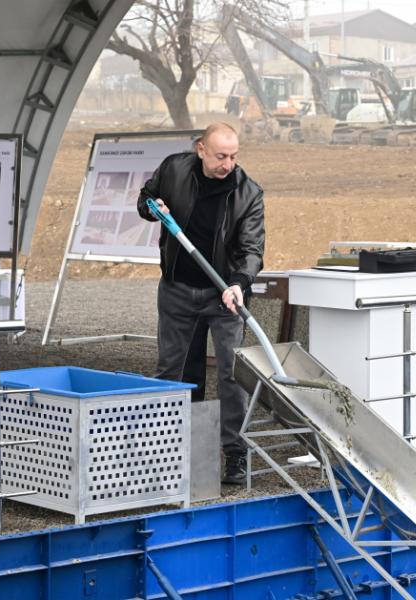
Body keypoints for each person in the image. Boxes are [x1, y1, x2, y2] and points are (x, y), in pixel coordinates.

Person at [137, 122, 265, 485]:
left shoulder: (248, 193)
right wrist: (153, 208)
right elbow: (145, 197)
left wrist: (239, 284)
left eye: (234, 156)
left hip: (224, 295)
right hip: (177, 289)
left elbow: (252, 250)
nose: (228, 163)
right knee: (173, 371)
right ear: (201, 149)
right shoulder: (174, 170)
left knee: (230, 374)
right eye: (221, 155)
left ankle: (235, 454)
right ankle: (165, 450)